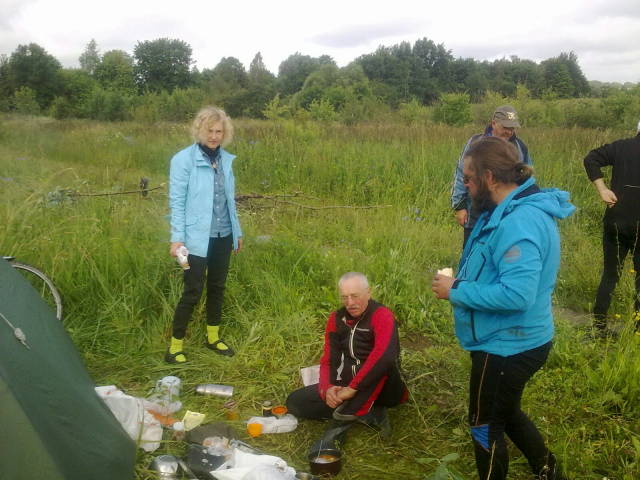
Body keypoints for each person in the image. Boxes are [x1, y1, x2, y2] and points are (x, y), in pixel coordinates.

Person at [432, 137, 574, 480]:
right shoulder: (503, 208)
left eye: (468, 178)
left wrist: (457, 290)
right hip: (516, 338)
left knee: (484, 425)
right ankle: (547, 467)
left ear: (490, 177)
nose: (464, 184)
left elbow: (517, 295)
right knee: (506, 411)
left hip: (507, 345)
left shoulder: (518, 223)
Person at [286, 272, 407, 444]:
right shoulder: (336, 319)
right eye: (345, 297)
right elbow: (329, 359)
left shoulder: (382, 315)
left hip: (384, 386)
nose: (350, 303)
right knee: (295, 402)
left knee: (381, 365)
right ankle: (364, 412)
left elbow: (385, 356)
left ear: (368, 292)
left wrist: (352, 388)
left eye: (355, 296)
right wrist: (328, 388)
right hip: (348, 383)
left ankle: (351, 412)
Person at [165, 106, 243, 363]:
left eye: (219, 131)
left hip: (223, 234)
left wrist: (237, 231)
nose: (214, 136)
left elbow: (229, 200)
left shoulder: (225, 160)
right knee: (193, 290)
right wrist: (177, 238)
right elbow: (177, 201)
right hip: (195, 239)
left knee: (217, 287)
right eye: (209, 130)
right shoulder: (183, 160)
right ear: (199, 129)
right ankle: (175, 346)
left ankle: (213, 337)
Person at [583, 120, 640, 334]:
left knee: (610, 275)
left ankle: (598, 327)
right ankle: (637, 331)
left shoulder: (622, 146)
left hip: (616, 221)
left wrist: (602, 189)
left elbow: (591, 159)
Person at [451, 105, 533, 246]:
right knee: (471, 252)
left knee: (500, 251)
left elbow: (527, 180)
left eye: (512, 128)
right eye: (505, 127)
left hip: (506, 211)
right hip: (476, 210)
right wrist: (459, 206)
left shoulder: (520, 147)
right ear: (493, 123)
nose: (509, 132)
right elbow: (461, 173)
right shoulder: (475, 143)